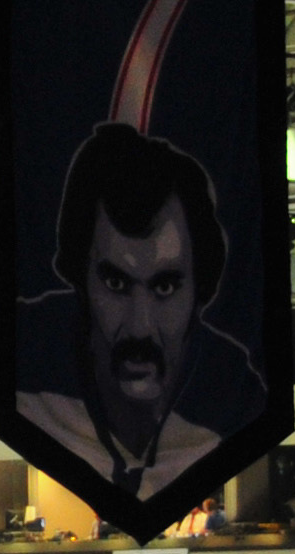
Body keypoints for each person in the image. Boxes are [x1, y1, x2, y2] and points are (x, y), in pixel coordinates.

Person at [16, 120, 266, 507]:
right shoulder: (27, 368)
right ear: (78, 278)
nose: (140, 326)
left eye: (165, 287)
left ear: (203, 286)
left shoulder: (238, 393)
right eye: (116, 284)